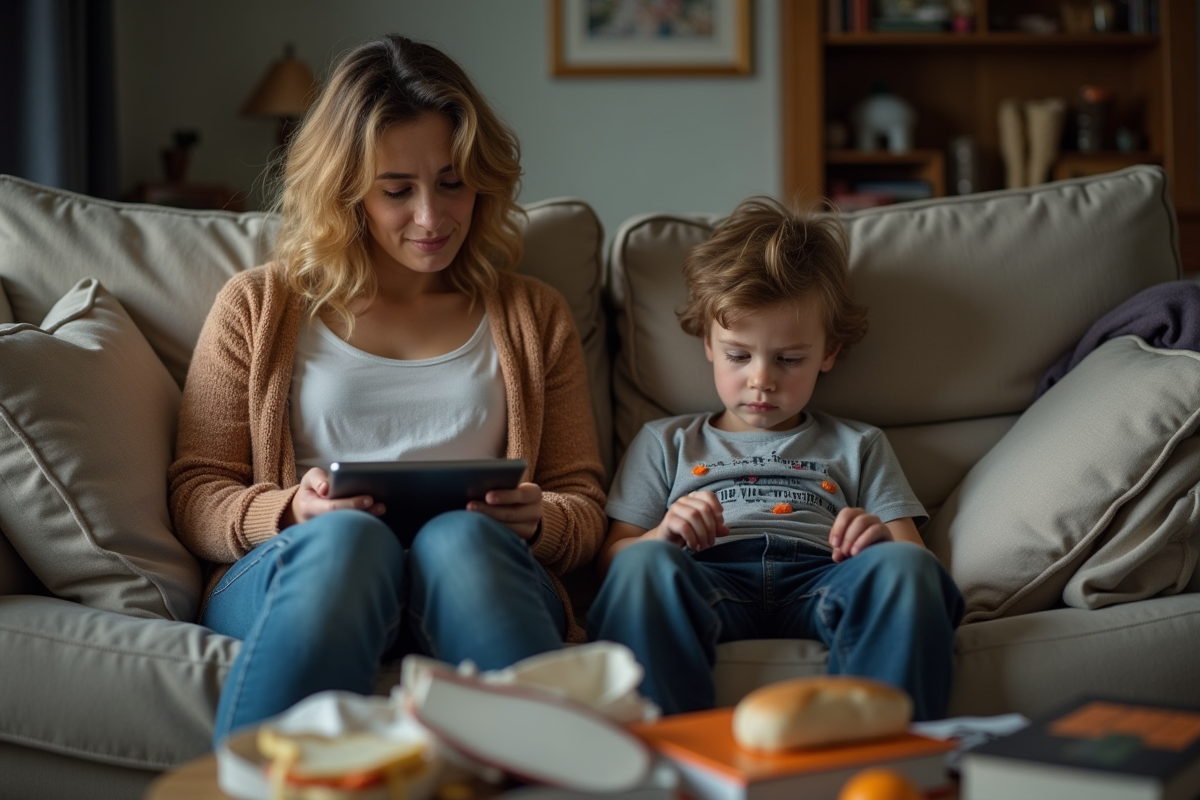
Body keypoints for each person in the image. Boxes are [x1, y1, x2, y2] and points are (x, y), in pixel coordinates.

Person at [169, 34, 606, 746]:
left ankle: (562, 774)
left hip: (476, 572)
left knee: (460, 540)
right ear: (347, 192)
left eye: (454, 182)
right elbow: (196, 490)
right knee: (348, 539)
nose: (433, 218)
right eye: (398, 191)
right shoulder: (257, 307)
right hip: (308, 571)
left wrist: (540, 520)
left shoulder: (535, 315)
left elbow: (582, 504)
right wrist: (290, 511)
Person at [587, 196, 963, 720]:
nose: (761, 379)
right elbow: (611, 562)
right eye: (739, 355)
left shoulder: (859, 443)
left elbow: (915, 560)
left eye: (789, 359)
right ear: (708, 344)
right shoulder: (664, 440)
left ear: (828, 352)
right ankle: (671, 759)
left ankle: (885, 762)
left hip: (823, 575)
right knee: (645, 566)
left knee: (904, 571)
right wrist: (662, 535)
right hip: (705, 575)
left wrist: (875, 540)